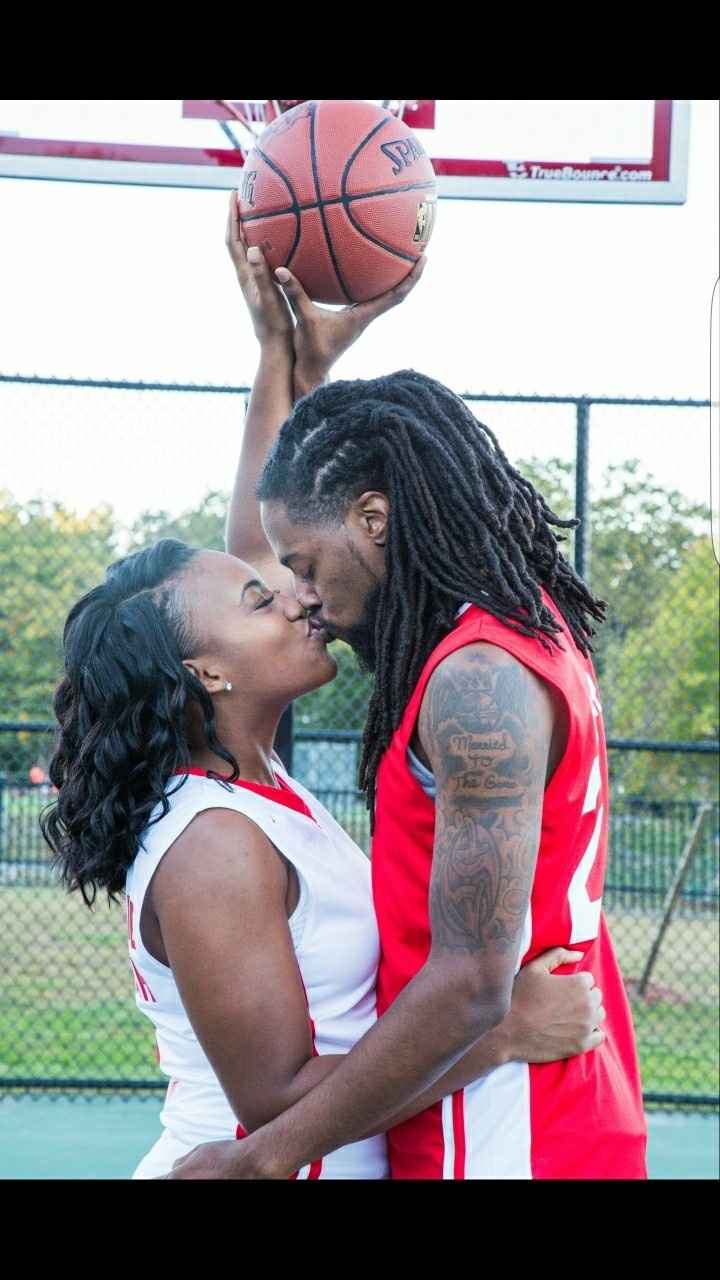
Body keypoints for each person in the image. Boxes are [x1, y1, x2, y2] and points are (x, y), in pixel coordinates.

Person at [39, 200, 602, 1180]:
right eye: (267, 594)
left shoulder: (249, 771)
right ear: (208, 671)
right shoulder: (212, 842)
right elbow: (277, 1100)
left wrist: (287, 362)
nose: (300, 594)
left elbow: (261, 538)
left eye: (296, 569)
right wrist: (500, 1033)